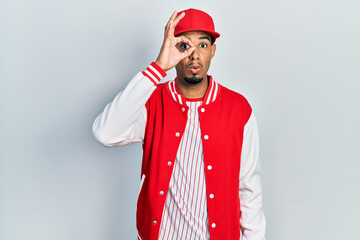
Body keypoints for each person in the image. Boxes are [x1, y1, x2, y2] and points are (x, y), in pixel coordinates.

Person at [92, 8, 266, 240]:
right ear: (171, 49)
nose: (194, 55)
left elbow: (249, 188)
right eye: (184, 46)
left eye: (203, 45)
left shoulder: (238, 108)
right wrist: (157, 68)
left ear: (213, 51)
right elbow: (105, 134)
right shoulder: (151, 102)